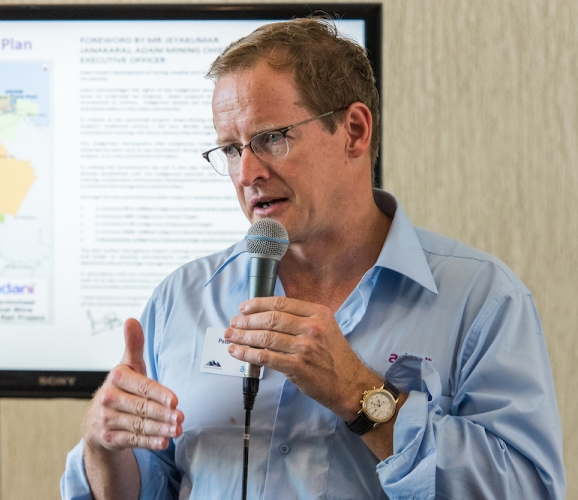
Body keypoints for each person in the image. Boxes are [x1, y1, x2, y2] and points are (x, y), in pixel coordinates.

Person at [62, 17, 565, 499]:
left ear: (354, 131)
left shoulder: (480, 298)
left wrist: (363, 397)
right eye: (231, 150)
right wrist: (103, 446)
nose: (247, 173)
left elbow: (527, 489)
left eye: (271, 139)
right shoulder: (184, 298)